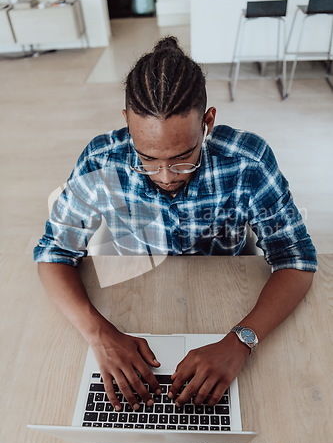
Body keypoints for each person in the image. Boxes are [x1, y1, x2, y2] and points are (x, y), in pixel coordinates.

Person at [34, 36, 317, 413]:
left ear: (208, 122)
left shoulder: (248, 161)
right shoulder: (101, 159)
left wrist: (241, 341)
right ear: (127, 124)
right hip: (135, 293)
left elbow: (296, 259)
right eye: (147, 158)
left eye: (184, 159)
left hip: (225, 300)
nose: (165, 176)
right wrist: (99, 334)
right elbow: (53, 253)